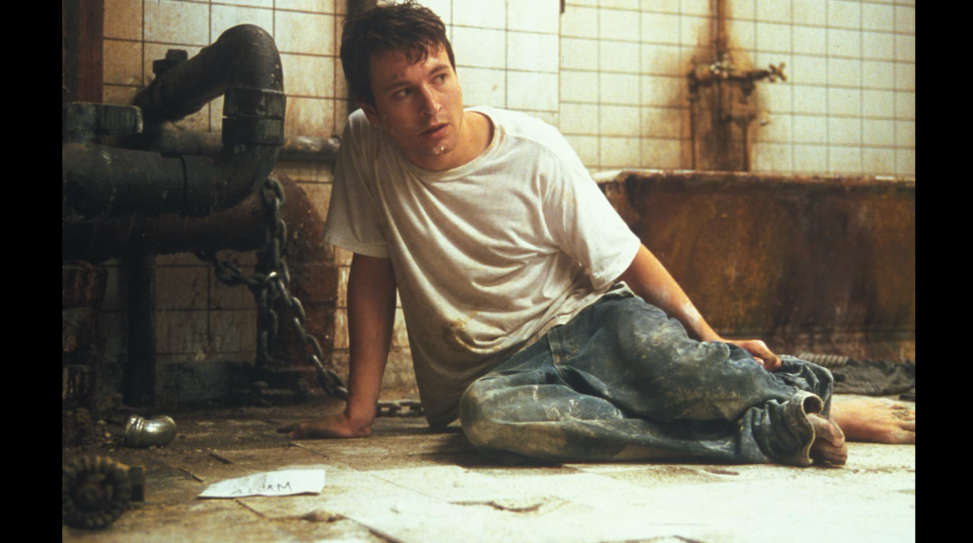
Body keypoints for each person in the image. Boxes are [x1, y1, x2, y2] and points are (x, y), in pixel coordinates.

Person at [278, 1, 915, 466]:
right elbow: (372, 268)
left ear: (454, 70)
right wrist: (358, 415)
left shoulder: (533, 151)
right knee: (487, 424)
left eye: (439, 77)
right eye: (403, 93)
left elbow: (628, 258)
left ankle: (809, 401)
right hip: (490, 384)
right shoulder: (365, 147)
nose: (432, 106)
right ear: (371, 110)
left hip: (586, 332)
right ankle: (773, 425)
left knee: (656, 353)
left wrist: (709, 335)